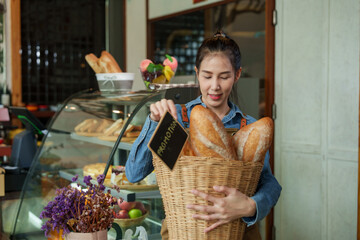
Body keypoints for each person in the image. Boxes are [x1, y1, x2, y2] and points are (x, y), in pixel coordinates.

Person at [125, 31, 282, 239]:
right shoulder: (177, 118)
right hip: (184, 231)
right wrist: (154, 122)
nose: (214, 86)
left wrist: (251, 206)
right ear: (197, 73)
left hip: (237, 233)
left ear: (237, 75)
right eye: (207, 76)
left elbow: (270, 184)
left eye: (224, 76)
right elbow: (134, 173)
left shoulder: (249, 126)